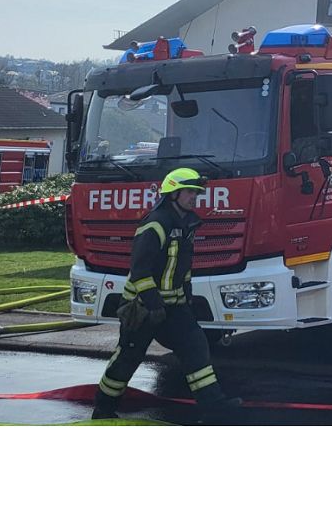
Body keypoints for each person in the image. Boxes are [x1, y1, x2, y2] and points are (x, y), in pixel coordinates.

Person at [92, 168, 241, 421]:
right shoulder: (156, 224)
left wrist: (188, 301)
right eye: (189, 192)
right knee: (128, 357)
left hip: (174, 308)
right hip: (142, 306)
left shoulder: (187, 224)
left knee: (196, 347)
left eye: (196, 193)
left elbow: (183, 269)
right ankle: (103, 409)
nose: (194, 197)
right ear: (173, 194)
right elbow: (140, 270)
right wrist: (153, 303)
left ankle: (215, 407)